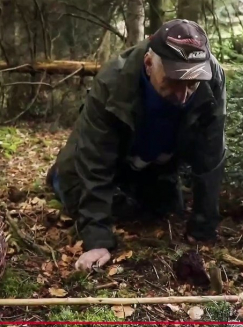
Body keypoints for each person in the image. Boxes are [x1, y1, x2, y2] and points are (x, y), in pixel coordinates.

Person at [46, 19, 227, 272]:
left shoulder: (213, 77)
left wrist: (203, 225)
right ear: (149, 64)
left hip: (155, 160)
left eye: (193, 83)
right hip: (107, 154)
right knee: (75, 189)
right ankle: (58, 177)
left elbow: (211, 152)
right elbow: (94, 158)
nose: (184, 94)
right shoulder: (113, 80)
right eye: (174, 81)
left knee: (161, 209)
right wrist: (98, 241)